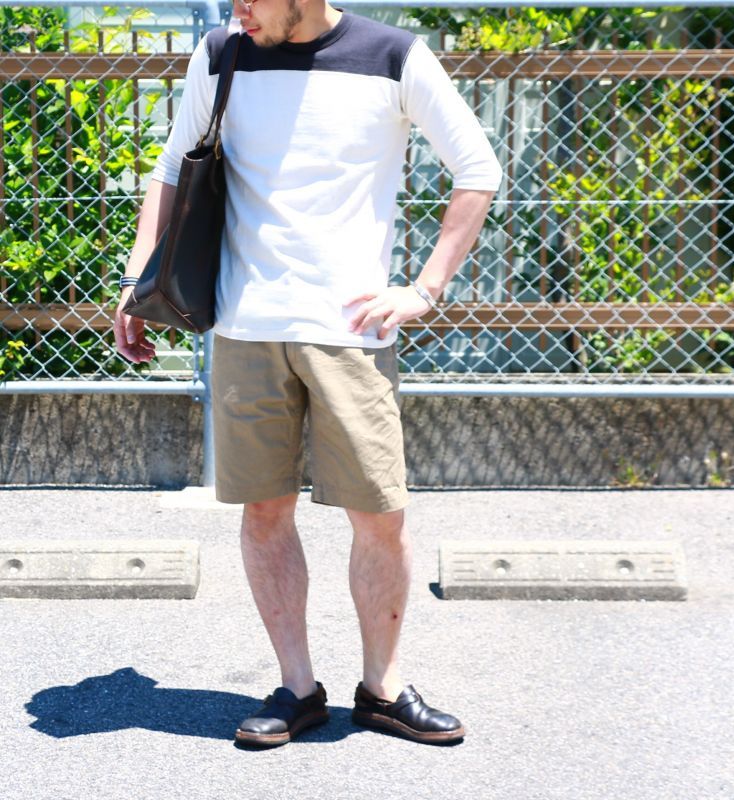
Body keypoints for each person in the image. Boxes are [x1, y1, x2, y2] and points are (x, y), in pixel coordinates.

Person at [113, 0, 501, 747]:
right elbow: (171, 168)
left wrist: (424, 290)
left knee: (379, 516)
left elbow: (477, 169)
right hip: (245, 324)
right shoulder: (222, 52)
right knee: (264, 511)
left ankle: (382, 689)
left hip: (350, 332)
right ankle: (297, 688)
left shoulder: (392, 56)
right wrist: (138, 282)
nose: (237, 8)